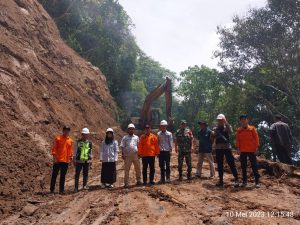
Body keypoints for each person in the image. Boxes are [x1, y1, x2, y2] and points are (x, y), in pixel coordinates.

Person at [211, 114, 239, 187]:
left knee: (231, 163)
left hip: (227, 148)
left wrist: (226, 123)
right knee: (220, 165)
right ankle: (221, 181)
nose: (220, 121)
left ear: (224, 120)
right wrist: (213, 134)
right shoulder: (215, 128)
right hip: (218, 148)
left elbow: (231, 132)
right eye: (219, 120)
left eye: (221, 119)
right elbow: (212, 138)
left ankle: (237, 179)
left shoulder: (227, 127)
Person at [236, 115, 260, 188]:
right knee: (243, 166)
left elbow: (256, 138)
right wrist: (238, 148)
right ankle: (244, 181)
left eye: (244, 119)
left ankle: (257, 182)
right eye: (242, 120)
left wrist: (256, 148)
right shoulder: (239, 130)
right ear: (240, 121)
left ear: (247, 120)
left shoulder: (252, 129)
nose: (243, 121)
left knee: (254, 166)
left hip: (251, 150)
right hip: (243, 150)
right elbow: (237, 140)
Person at [50, 126, 74, 194]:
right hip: (57, 160)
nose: (66, 132)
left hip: (65, 161)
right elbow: (54, 149)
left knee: (63, 176)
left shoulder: (70, 141)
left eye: (68, 130)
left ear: (69, 131)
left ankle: (61, 190)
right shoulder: (58, 139)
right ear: (63, 131)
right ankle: (52, 190)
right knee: (54, 175)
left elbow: (70, 151)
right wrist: (54, 158)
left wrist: (70, 158)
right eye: (65, 130)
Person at [73, 128, 92, 192]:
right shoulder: (78, 142)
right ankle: (76, 188)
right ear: (82, 134)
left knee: (85, 174)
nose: (86, 135)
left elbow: (90, 152)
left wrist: (91, 159)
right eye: (84, 134)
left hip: (86, 161)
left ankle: (84, 186)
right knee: (77, 174)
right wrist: (74, 159)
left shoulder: (89, 143)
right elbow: (75, 151)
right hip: (79, 161)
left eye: (87, 134)